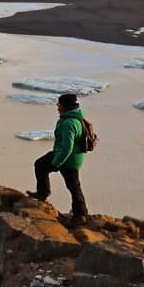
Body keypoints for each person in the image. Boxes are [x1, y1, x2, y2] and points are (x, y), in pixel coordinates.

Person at [31, 93, 89, 221]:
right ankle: (43, 193)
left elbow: (67, 147)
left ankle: (80, 215)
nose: (57, 106)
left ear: (65, 107)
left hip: (68, 159)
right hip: (67, 156)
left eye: (59, 104)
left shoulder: (69, 123)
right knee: (40, 165)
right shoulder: (74, 117)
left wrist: (57, 163)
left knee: (73, 186)